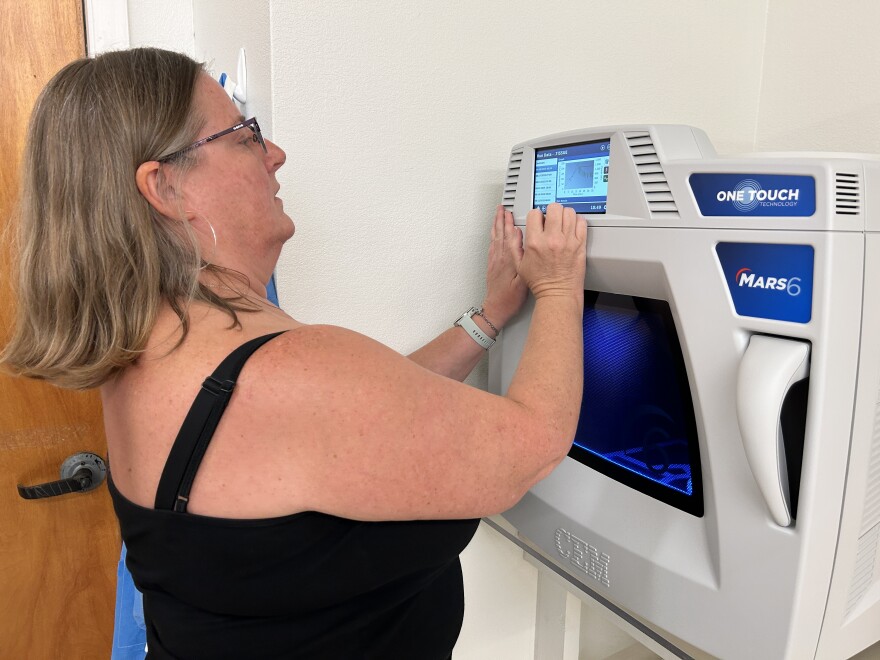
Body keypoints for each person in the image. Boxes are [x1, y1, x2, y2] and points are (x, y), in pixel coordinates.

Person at [1, 48, 587, 659]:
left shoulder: (150, 345)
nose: (274, 154)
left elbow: (366, 423)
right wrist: (557, 285)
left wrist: (490, 316)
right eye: (244, 135)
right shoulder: (277, 373)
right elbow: (532, 444)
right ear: (165, 185)